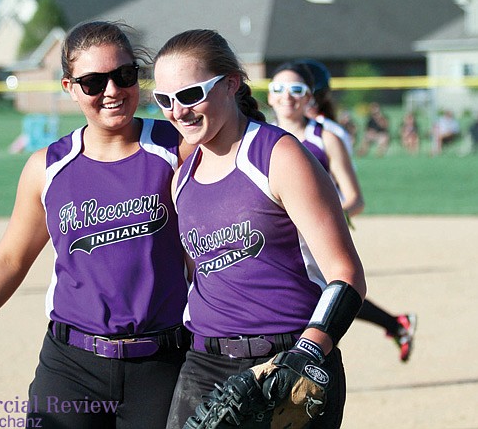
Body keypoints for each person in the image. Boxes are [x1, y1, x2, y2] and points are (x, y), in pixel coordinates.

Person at [0, 21, 192, 429]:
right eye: (94, 82)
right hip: (71, 368)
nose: (112, 91)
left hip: (162, 364)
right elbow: (10, 259)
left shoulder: (179, 149)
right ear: (69, 88)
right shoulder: (48, 168)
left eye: (124, 74)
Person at [153, 29, 367, 429]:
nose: (177, 111)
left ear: (231, 82)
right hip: (205, 364)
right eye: (164, 100)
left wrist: (306, 356)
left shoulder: (278, 156)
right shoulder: (182, 175)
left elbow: (347, 276)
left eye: (189, 94)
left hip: (291, 356)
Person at [294, 59, 417, 363]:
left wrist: (323, 217)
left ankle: (312, 359)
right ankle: (396, 323)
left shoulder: (327, 133)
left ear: (311, 93)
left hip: (317, 228)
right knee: (323, 292)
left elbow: (347, 189)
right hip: (291, 228)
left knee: (332, 290)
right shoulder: (275, 131)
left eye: (297, 89)